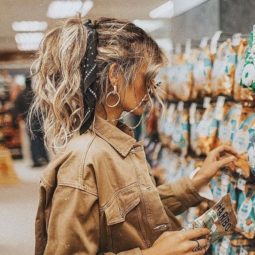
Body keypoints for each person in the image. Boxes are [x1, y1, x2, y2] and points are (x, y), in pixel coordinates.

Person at [32, 17, 238, 255]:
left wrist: (193, 184)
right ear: (115, 76)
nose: (152, 88)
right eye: (146, 77)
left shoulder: (117, 143)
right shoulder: (82, 162)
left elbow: (137, 212)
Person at [13, 77, 49, 167]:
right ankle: (45, 158)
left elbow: (16, 107)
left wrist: (20, 116)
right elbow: (43, 106)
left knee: (33, 140)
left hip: (28, 121)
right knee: (42, 139)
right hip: (39, 119)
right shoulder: (35, 93)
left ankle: (36, 160)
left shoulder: (21, 94)